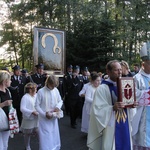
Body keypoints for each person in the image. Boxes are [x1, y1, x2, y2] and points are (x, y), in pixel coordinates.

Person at [87, 60, 137, 150]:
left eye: (120, 70)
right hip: (111, 124)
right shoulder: (102, 88)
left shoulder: (125, 85)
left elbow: (129, 105)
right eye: (116, 70)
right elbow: (97, 110)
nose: (119, 72)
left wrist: (132, 106)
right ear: (108, 72)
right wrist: (112, 108)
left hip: (125, 122)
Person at [35, 75, 63, 150]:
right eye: (52, 85)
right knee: (45, 136)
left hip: (53, 118)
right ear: (48, 83)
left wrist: (57, 107)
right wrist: (44, 114)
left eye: (55, 86)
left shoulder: (56, 90)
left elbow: (60, 100)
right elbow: (37, 106)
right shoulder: (41, 91)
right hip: (44, 119)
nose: (53, 87)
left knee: (54, 134)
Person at [132, 42, 150, 150]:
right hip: (142, 113)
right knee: (143, 140)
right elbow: (133, 94)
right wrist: (147, 94)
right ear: (143, 64)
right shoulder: (136, 78)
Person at [20, 82, 38, 150]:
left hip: (37, 118)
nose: (36, 90)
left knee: (38, 131)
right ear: (30, 90)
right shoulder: (25, 97)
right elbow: (22, 108)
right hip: (29, 118)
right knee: (28, 133)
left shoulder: (36, 95)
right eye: (35, 89)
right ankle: (27, 146)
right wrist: (31, 112)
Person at [0, 70, 13, 150]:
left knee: (5, 144)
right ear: (5, 81)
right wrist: (4, 104)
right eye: (9, 80)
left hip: (7, 120)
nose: (11, 81)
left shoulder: (8, 91)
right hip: (0, 120)